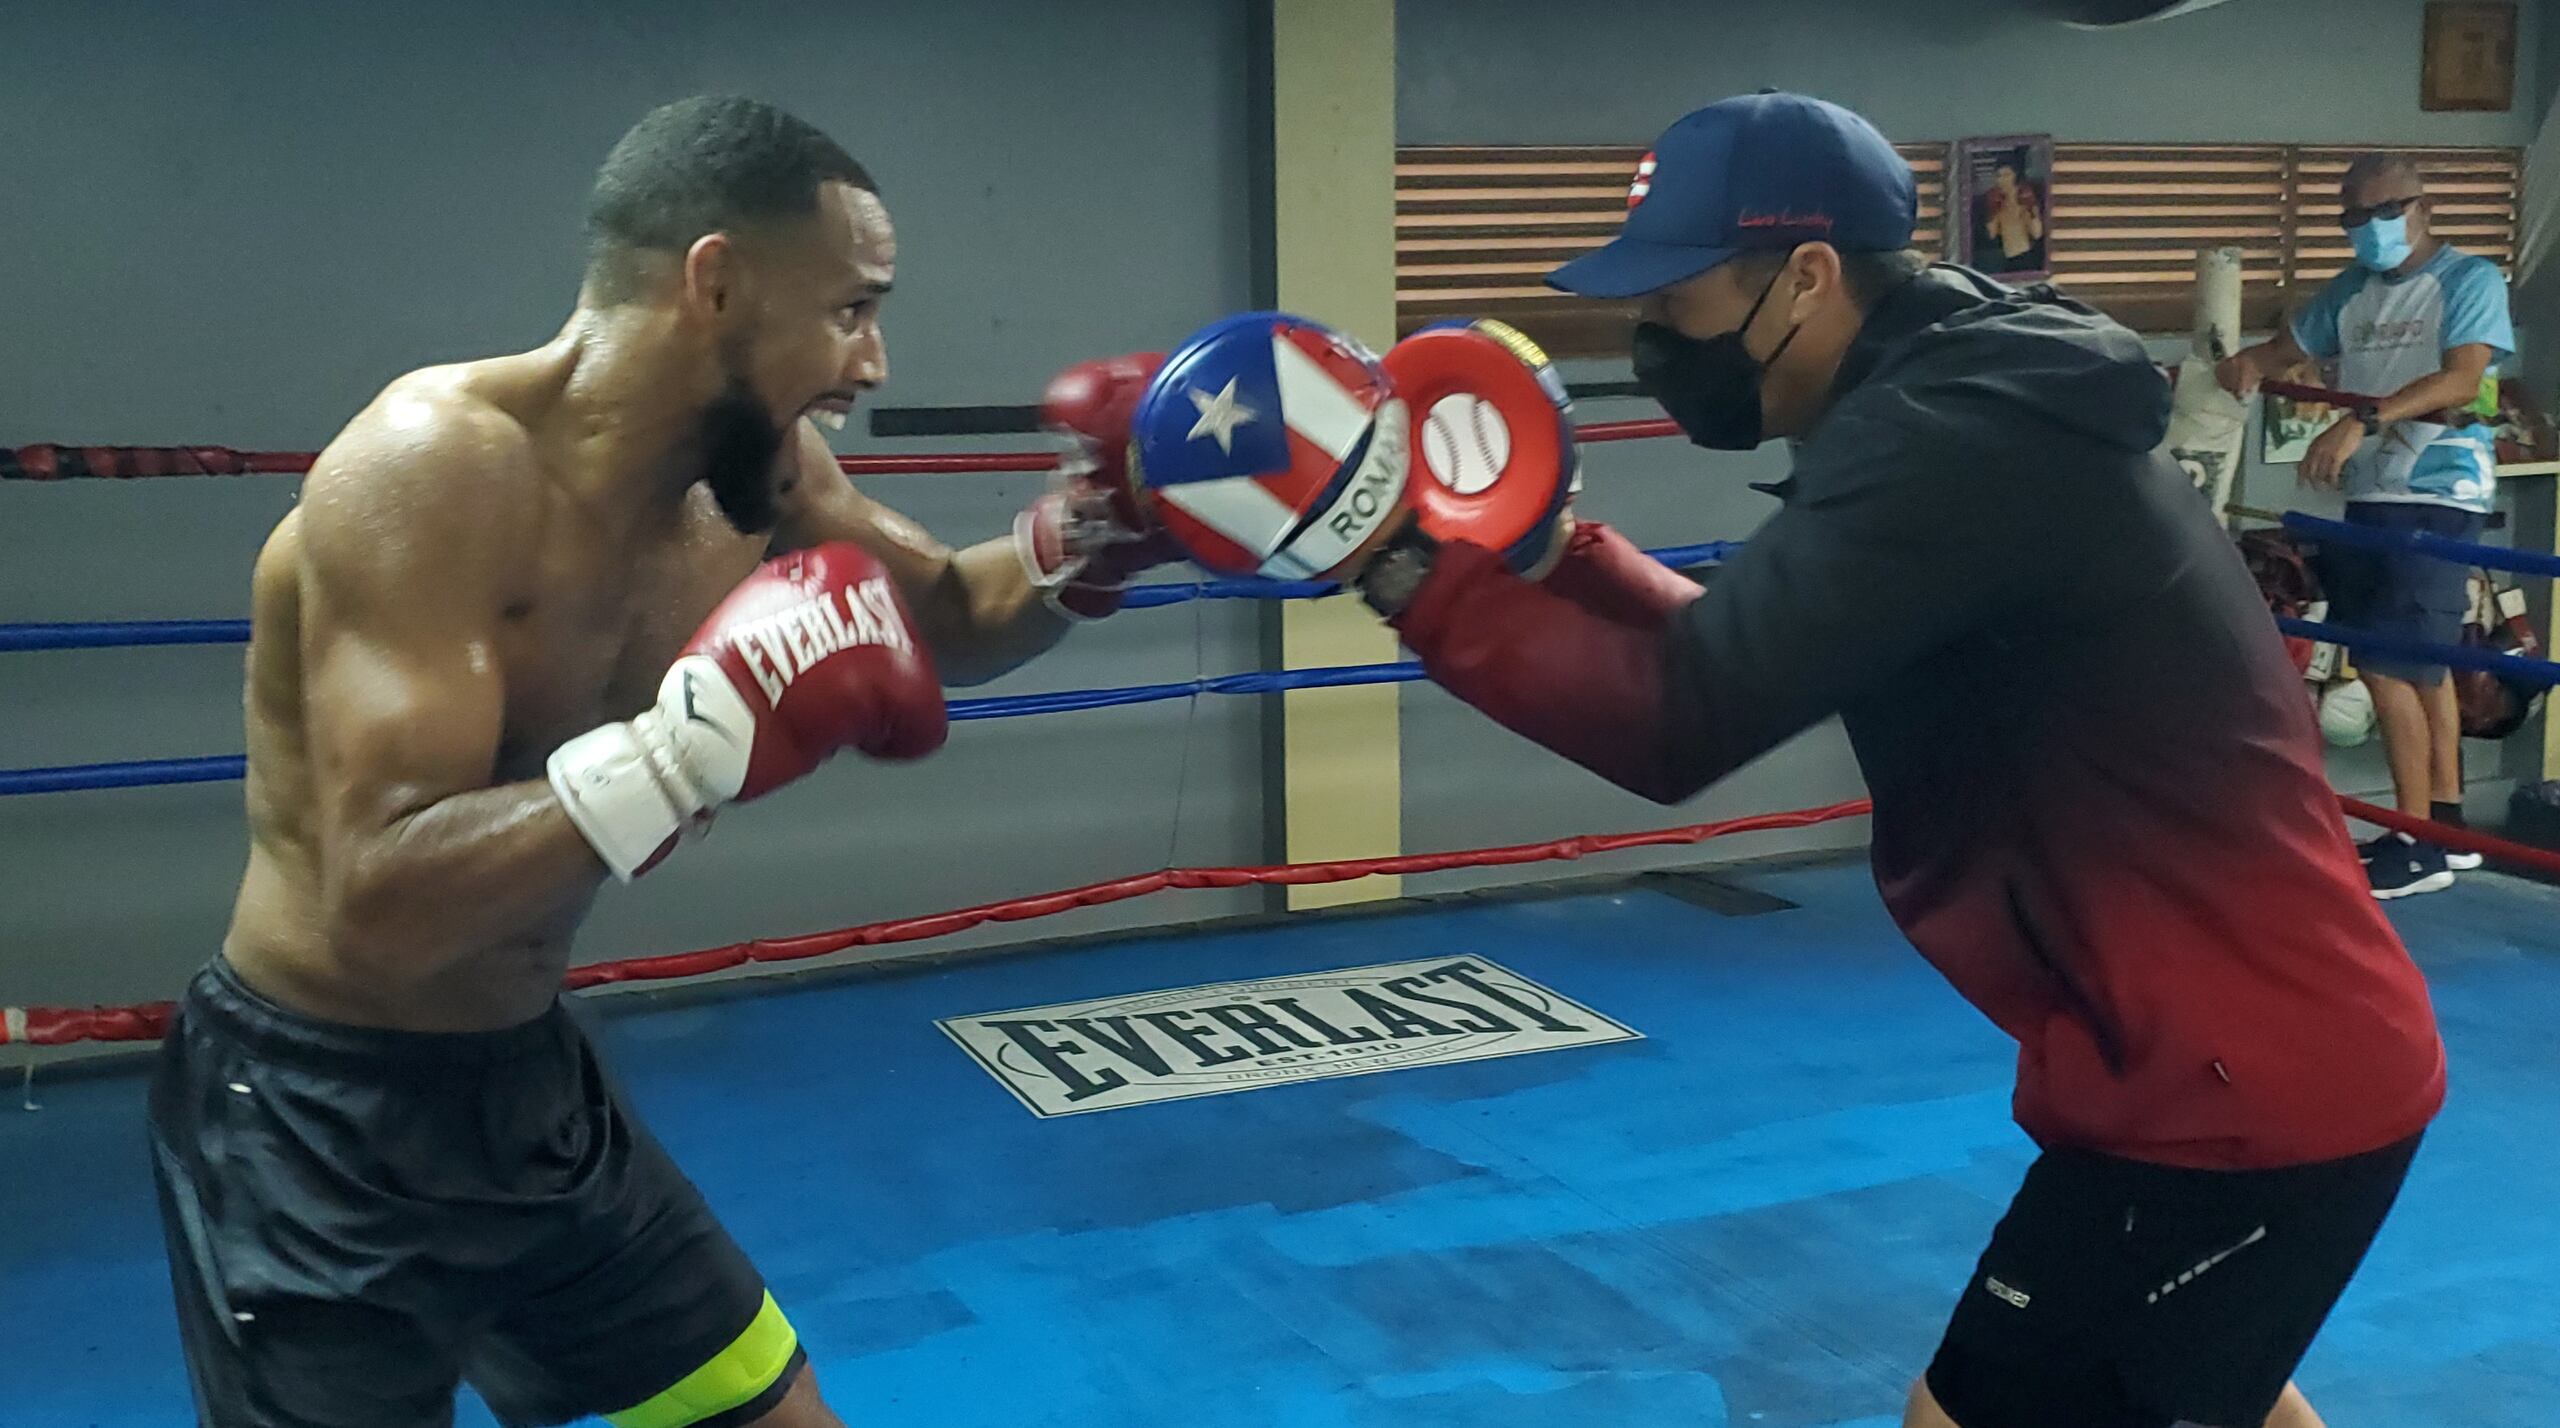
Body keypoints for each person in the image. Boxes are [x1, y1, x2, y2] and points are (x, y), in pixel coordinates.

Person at [1345, 92, 2443, 1428]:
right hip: (2266, 1047)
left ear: (1805, 277)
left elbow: (1679, 721)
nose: (1651, 343)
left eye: (1677, 302)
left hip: (2230, 1084)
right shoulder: (1956, 399)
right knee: (2218, 1392)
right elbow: (1759, 645)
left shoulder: (1949, 437)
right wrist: (1553, 557)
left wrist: (1401, 572)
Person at [146, 95, 1171, 1428]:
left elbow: (950, 617)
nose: (872, 361)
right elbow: (381, 907)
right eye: (850, 309)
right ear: (716, 280)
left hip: (530, 1094)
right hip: (313, 1126)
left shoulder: (761, 476)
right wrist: (687, 751)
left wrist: (1090, 542)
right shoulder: (433, 471)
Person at [2218, 153, 2516, 898]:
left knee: (2388, 664)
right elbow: (2288, 348)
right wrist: (2244, 362)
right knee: (2422, 658)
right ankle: (2446, 825)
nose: (2371, 229)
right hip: (2374, 491)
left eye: (2386, 212)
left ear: (2424, 207)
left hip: (2439, 484)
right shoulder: (2350, 291)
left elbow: (2461, 376)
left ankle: (2414, 843)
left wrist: (2359, 420)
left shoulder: (2468, 280)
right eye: (2354, 217)